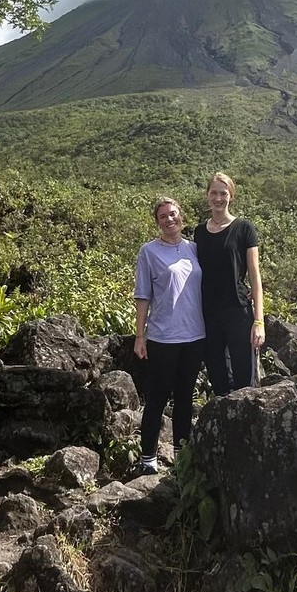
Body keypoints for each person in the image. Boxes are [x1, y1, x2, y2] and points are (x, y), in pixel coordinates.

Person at [133, 196, 205, 475]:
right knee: (158, 397)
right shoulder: (149, 252)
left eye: (173, 214)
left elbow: (215, 279)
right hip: (163, 336)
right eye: (163, 216)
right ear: (157, 222)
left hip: (195, 335)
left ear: (181, 217)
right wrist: (140, 335)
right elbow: (142, 295)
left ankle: (181, 456)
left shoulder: (195, 249)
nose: (169, 219)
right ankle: (148, 458)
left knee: (186, 397)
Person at [194, 171, 265, 396]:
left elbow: (254, 275)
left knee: (244, 375)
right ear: (207, 196)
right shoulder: (199, 233)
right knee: (216, 374)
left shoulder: (244, 229)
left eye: (223, 193)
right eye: (213, 193)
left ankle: (243, 425)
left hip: (238, 310)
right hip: (208, 313)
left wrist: (259, 321)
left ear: (231, 196)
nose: (218, 198)